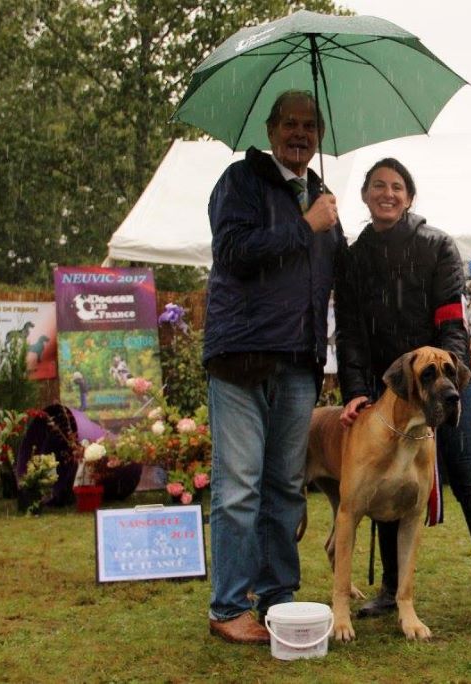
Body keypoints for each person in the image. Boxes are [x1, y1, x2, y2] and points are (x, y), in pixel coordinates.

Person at [334, 158, 471, 636]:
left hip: (443, 382)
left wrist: (451, 382)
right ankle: (391, 591)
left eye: (397, 187)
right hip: (390, 391)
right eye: (379, 186)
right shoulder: (353, 258)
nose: (388, 194)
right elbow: (351, 333)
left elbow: (452, 322)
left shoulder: (437, 246)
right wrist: (356, 390)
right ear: (366, 196)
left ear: (410, 197)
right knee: (381, 483)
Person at [202, 90, 345, 644]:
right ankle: (229, 606)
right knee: (239, 485)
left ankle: (277, 597)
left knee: (286, 485)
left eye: (310, 125)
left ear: (320, 136)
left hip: (298, 361)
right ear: (269, 129)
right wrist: (306, 224)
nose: (300, 133)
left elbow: (337, 275)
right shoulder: (240, 182)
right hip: (240, 357)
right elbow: (233, 250)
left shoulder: (322, 197)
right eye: (290, 123)